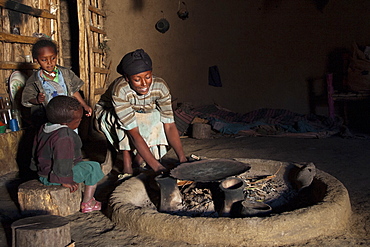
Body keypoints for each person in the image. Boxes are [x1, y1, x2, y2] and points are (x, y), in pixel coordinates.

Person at [95, 49, 187, 181]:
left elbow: (169, 125)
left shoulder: (160, 87)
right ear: (127, 78)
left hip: (142, 112)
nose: (144, 84)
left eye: (148, 77)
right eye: (137, 80)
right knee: (126, 121)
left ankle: (139, 159)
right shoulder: (121, 90)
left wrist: (182, 159)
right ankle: (127, 164)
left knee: (156, 116)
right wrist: (158, 168)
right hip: (109, 113)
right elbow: (133, 132)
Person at [30, 95, 104, 213]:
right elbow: (62, 161)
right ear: (66, 123)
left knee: (83, 165)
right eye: (78, 120)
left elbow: (35, 150)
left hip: (43, 173)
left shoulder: (45, 127)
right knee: (93, 167)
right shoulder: (64, 136)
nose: (80, 122)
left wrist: (35, 168)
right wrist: (64, 179)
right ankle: (88, 202)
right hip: (54, 177)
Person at [21, 38, 92, 128]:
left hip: (68, 116)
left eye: (53, 58)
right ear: (36, 60)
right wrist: (37, 100)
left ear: (57, 56)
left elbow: (73, 91)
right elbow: (27, 97)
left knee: (69, 136)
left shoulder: (65, 73)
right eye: (44, 60)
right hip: (49, 118)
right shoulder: (35, 80)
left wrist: (84, 105)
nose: (49, 62)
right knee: (54, 138)